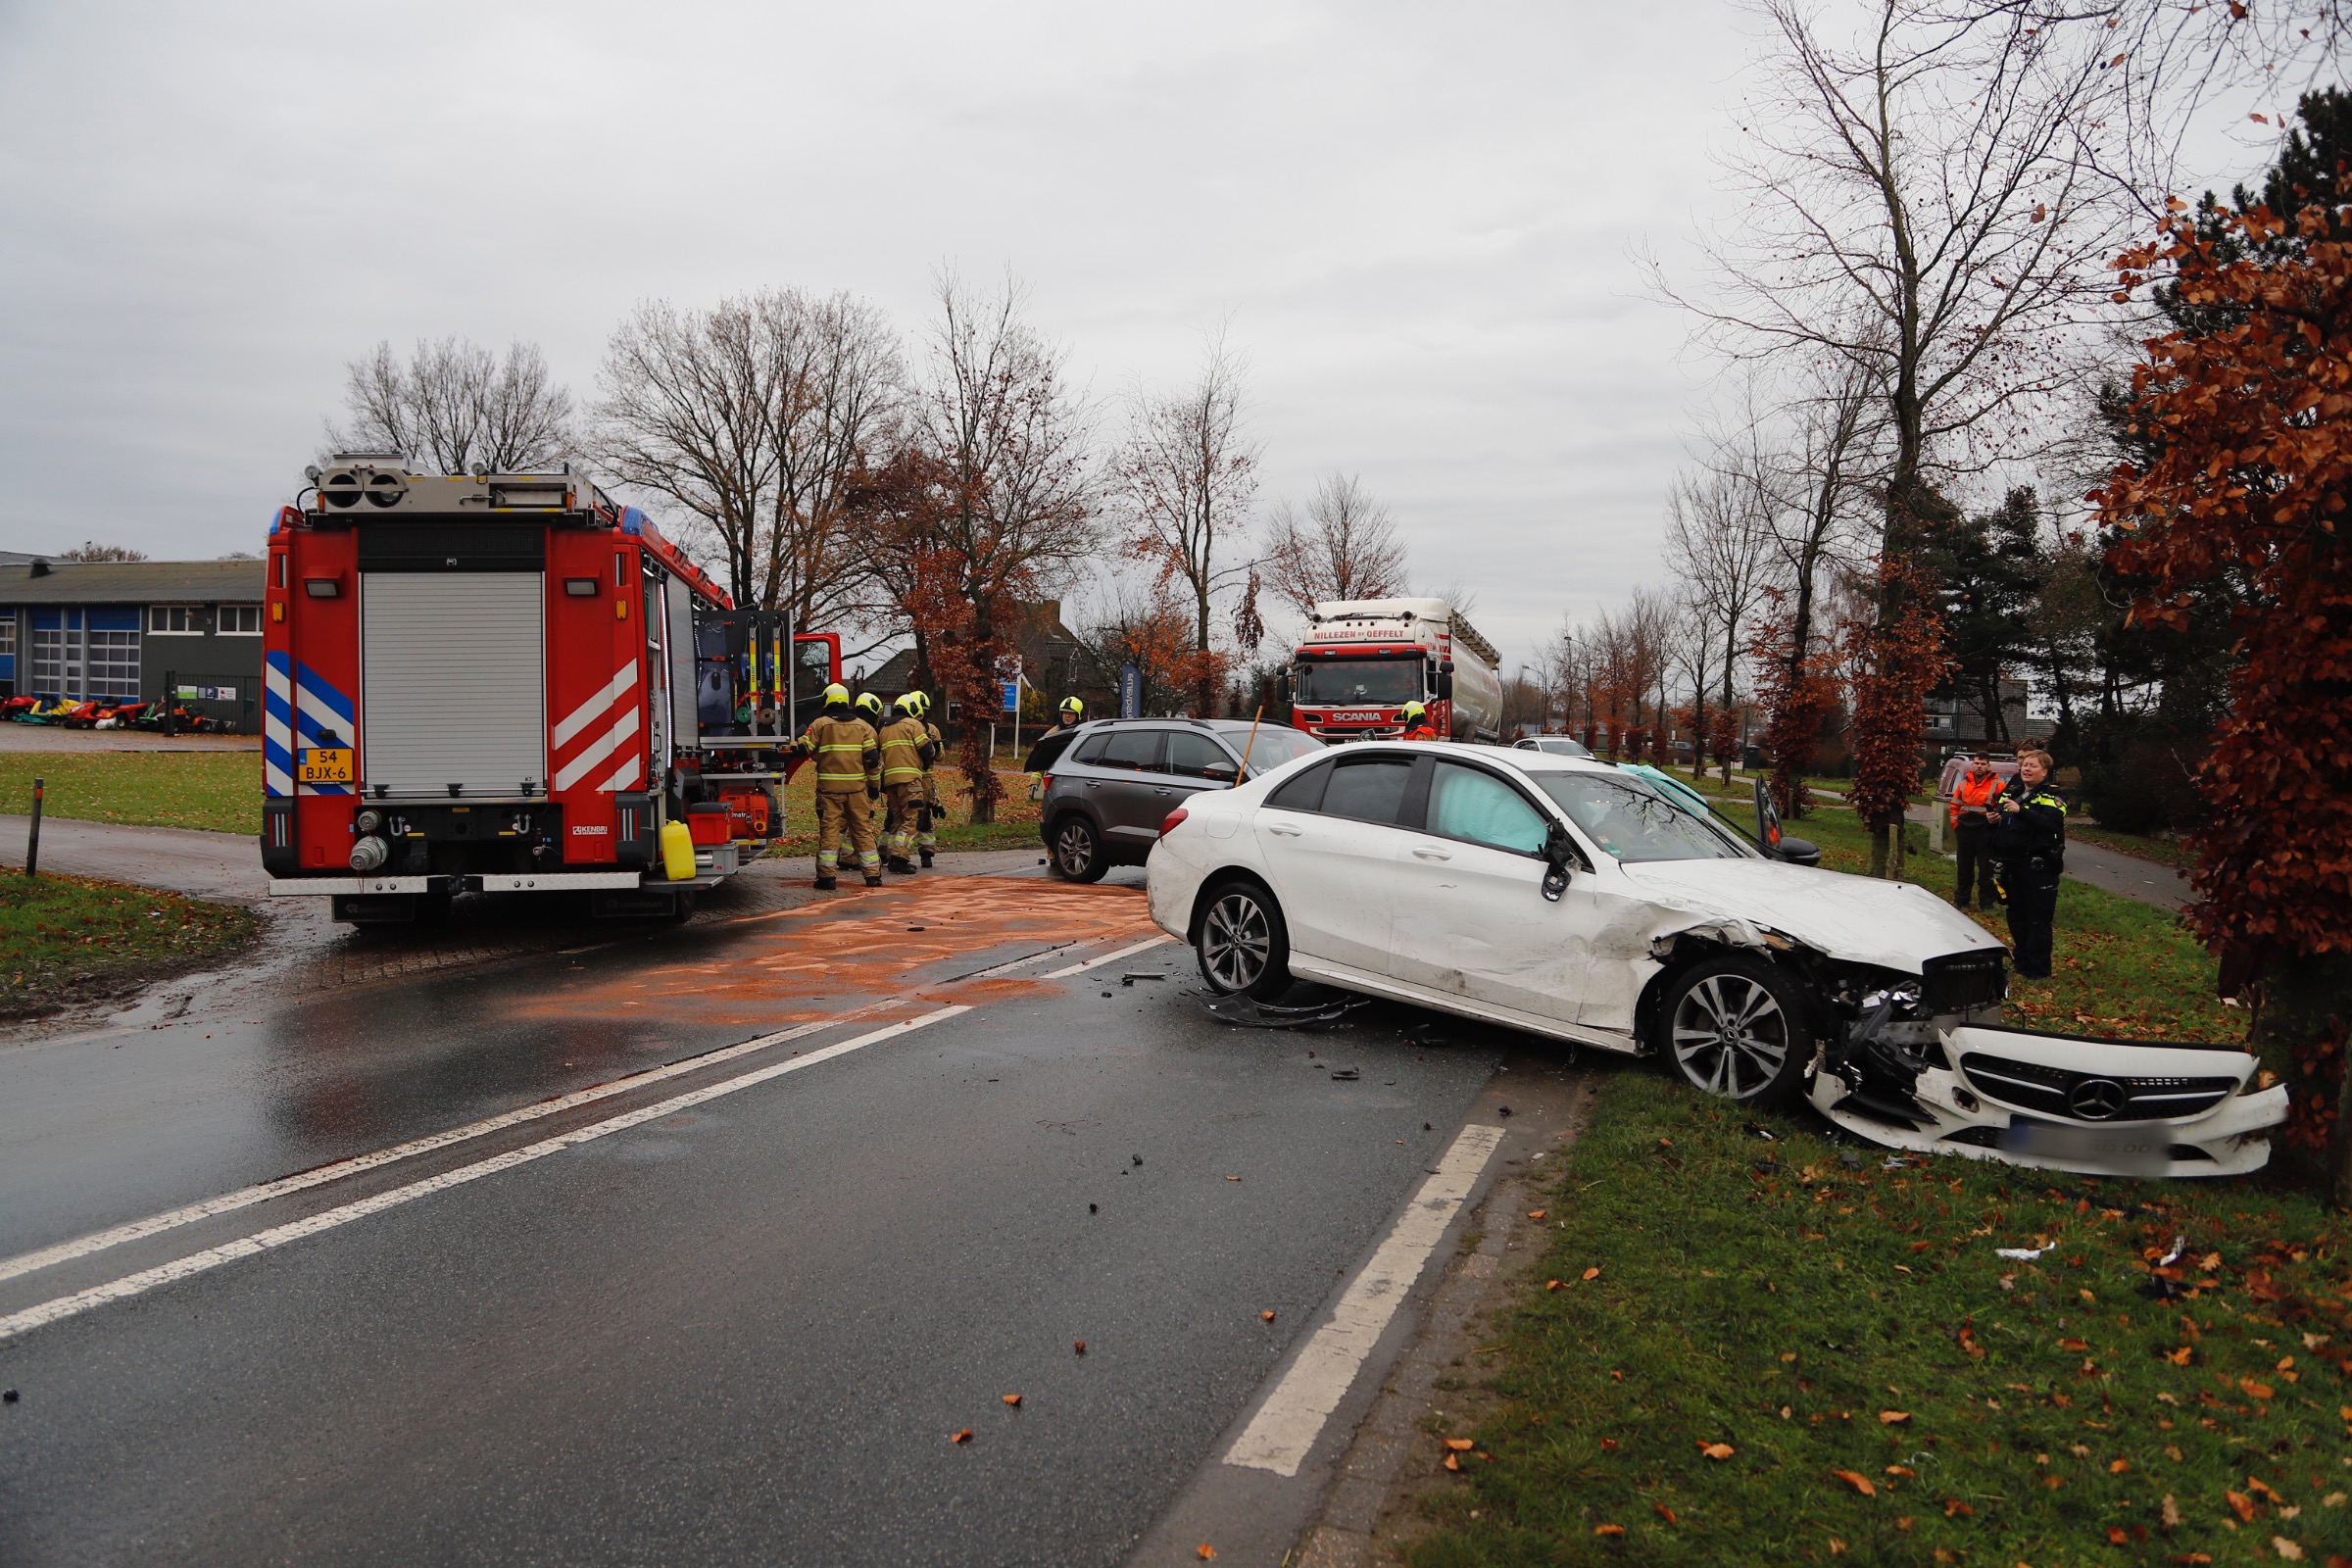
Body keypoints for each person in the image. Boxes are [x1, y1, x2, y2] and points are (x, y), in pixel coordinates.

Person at [792, 683, 883, 890]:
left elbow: (803, 749)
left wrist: (791, 741)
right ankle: (873, 876)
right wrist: (874, 786)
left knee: (830, 832)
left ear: (827, 700)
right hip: (857, 790)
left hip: (829, 791)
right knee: (862, 831)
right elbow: (872, 759)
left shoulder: (820, 724)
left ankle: (827, 878)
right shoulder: (861, 726)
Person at [1990, 748, 2067, 980]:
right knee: (2017, 917)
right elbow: (2001, 817)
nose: (2026, 769)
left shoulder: (2053, 795)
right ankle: (2021, 963)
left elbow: (2050, 824)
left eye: (2033, 766)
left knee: (2037, 920)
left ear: (2045, 771)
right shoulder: (2012, 791)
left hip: (2039, 867)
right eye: (2024, 764)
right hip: (2012, 866)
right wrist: (1992, 819)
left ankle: (2038, 970)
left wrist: (2021, 810)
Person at [876, 695, 935, 875]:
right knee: (911, 820)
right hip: (910, 781)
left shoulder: (884, 729)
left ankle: (891, 853)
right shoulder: (913, 725)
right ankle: (899, 858)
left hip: (890, 782)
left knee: (897, 820)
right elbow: (927, 750)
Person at [1949, 751, 2004, 910]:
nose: (1979, 766)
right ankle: (1961, 900)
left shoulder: (1998, 784)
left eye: (1983, 764)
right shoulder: (1964, 783)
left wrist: (1995, 825)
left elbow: (2002, 808)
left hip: (1985, 829)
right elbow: (1954, 805)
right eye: (1976, 763)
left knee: (1986, 869)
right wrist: (1956, 825)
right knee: (1964, 867)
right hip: (1965, 828)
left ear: (1988, 766)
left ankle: (1986, 902)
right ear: (1972, 765)